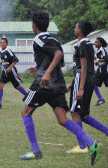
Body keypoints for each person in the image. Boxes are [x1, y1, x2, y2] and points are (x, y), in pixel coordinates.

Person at [19, 12, 101, 166]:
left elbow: (58, 54)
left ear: (34, 26)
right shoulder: (55, 40)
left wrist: (46, 73)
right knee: (63, 120)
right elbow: (61, 63)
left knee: (25, 112)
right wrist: (41, 69)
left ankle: (35, 151)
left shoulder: (39, 38)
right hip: (58, 85)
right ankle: (92, 142)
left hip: (44, 85)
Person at [66, 21, 107, 156]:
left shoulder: (82, 44)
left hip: (82, 79)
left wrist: (80, 87)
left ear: (81, 31)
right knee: (83, 115)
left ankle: (82, 146)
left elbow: (83, 67)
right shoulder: (89, 44)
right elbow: (88, 66)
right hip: (87, 78)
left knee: (74, 112)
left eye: (76, 26)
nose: (74, 28)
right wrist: (75, 84)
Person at [0, 38, 27, 109]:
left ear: (6, 44)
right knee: (0, 85)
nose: (2, 44)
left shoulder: (8, 51)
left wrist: (10, 67)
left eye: (3, 42)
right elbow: (4, 61)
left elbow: (16, 60)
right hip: (5, 71)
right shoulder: (1, 52)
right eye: (1, 43)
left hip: (11, 71)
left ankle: (29, 97)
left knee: (17, 86)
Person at [93, 37, 108, 106]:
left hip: (104, 71)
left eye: (97, 42)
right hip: (100, 70)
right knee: (94, 84)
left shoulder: (102, 50)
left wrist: (97, 59)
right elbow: (99, 61)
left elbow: (106, 59)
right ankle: (101, 99)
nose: (95, 43)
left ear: (101, 44)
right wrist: (96, 62)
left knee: (94, 83)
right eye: (95, 42)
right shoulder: (97, 51)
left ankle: (101, 99)